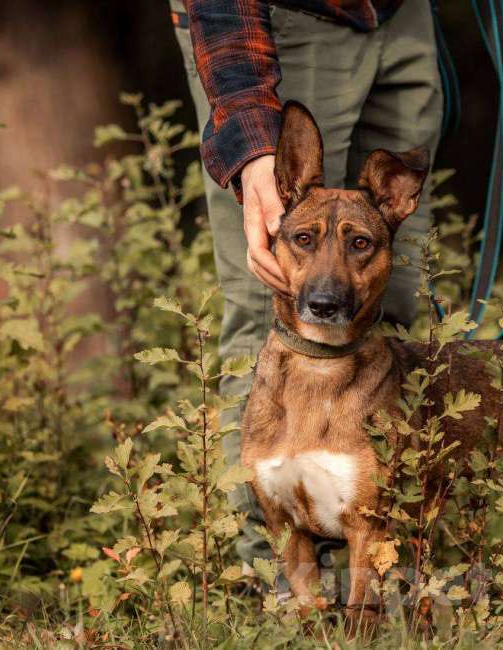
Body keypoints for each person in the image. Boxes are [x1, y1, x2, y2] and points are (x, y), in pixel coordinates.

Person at [169, 0, 443, 575]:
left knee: (387, 306)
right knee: (271, 311)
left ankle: (379, 576)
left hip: (403, 15)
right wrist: (254, 146)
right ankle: (272, 582)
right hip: (279, 21)